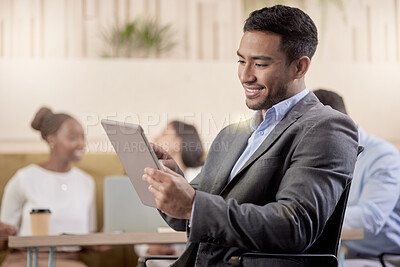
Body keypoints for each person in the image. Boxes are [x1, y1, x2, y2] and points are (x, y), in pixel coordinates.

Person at [142, 5, 359, 267]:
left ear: (299, 67)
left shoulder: (327, 127)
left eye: (260, 63)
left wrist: (193, 205)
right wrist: (169, 179)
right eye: (241, 61)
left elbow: (294, 226)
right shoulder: (232, 134)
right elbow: (185, 218)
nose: (245, 75)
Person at [313, 89, 400, 267]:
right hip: (345, 254)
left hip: (383, 257)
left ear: (337, 124)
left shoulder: (383, 156)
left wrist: (308, 221)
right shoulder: (324, 156)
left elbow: (371, 218)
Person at [0, 107, 96, 267]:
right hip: (25, 260)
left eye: (83, 137)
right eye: (73, 138)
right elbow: (3, 241)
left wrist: (104, 240)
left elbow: (87, 241)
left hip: (69, 262)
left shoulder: (86, 182)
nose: (81, 144)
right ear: (52, 139)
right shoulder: (24, 178)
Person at [136, 121, 205, 265]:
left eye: (164, 133)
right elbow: (138, 226)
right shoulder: (151, 177)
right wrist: (148, 248)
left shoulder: (204, 177)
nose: (157, 137)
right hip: (155, 260)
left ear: (178, 142)